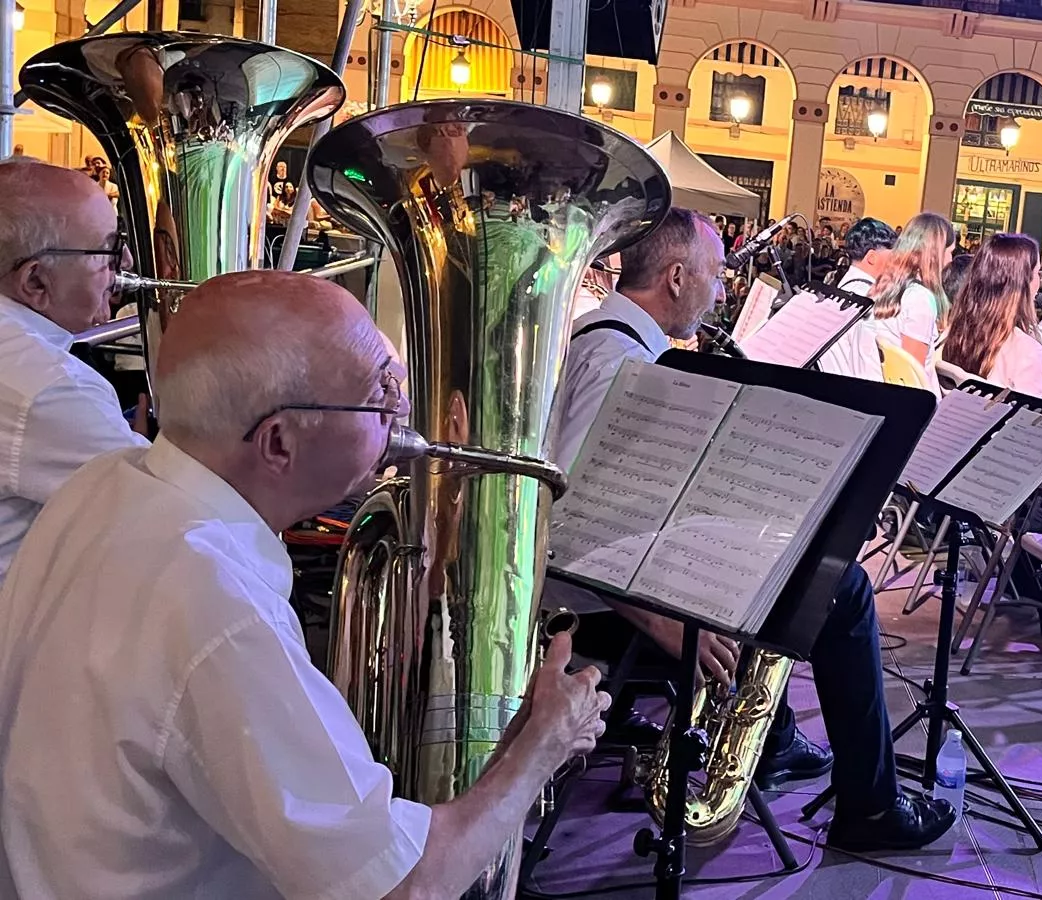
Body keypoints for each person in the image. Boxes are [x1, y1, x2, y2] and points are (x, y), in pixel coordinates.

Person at [0, 270, 609, 897]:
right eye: (380, 396)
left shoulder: (103, 483)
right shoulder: (215, 603)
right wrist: (543, 746)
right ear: (280, 442)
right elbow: (406, 889)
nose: (401, 414)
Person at [547, 208, 956, 850]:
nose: (724, 290)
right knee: (842, 589)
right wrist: (665, 622)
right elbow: (563, 522)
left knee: (785, 558)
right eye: (715, 275)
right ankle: (870, 808)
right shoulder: (619, 364)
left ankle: (776, 739)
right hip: (601, 609)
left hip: (626, 579)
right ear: (677, 277)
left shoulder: (610, 341)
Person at [0, 159, 148, 582]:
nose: (127, 259)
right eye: (108, 249)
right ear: (35, 283)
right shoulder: (48, 387)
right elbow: (167, 525)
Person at [941, 233, 1042, 397]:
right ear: (1021, 283)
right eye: (1038, 273)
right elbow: (1027, 421)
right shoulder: (1030, 352)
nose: (1039, 282)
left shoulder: (956, 330)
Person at [866, 211, 956, 389]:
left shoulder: (882, 286)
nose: (951, 259)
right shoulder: (919, 299)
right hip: (915, 405)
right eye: (950, 252)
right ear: (935, 254)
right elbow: (913, 377)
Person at [817, 217, 897, 382]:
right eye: (892, 255)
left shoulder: (841, 289)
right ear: (872, 257)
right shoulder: (867, 301)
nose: (896, 263)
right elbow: (869, 368)